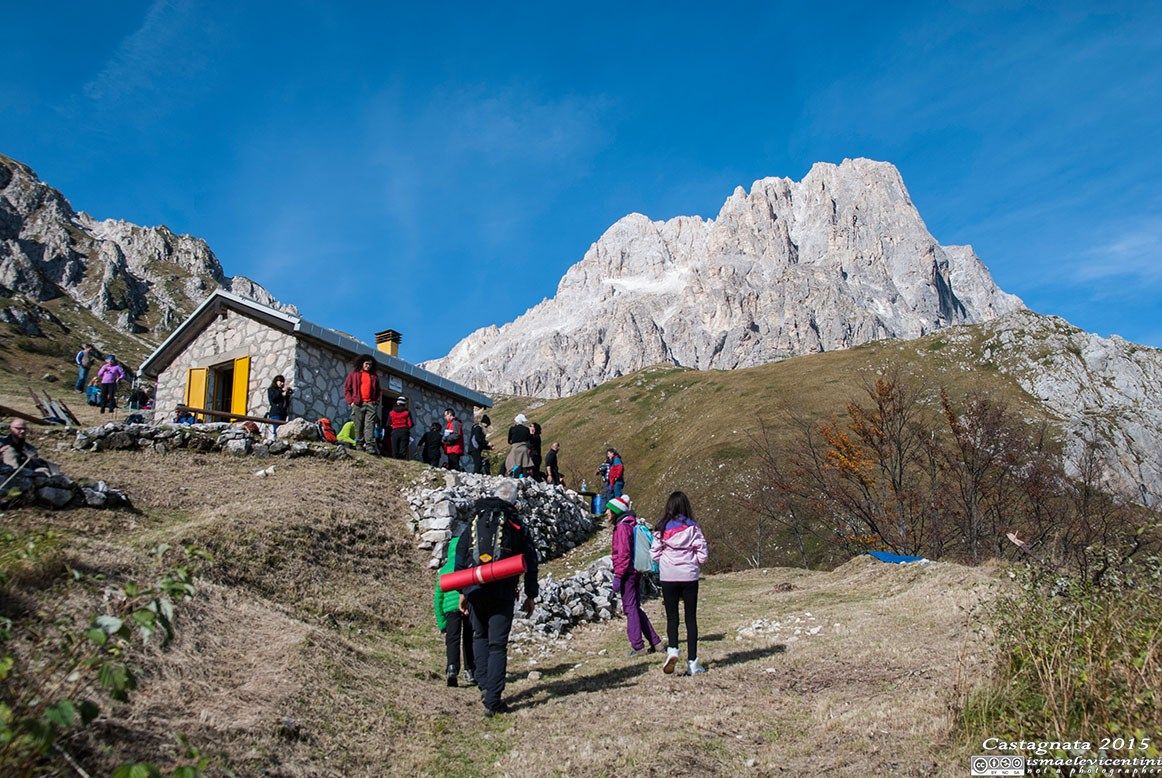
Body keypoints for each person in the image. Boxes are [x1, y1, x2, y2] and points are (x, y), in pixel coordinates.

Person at [453, 480, 539, 716]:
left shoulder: (475, 520)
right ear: (513, 501)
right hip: (502, 590)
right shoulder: (515, 523)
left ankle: (484, 685)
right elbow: (530, 560)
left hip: (474, 588)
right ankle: (493, 699)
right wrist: (531, 594)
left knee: (479, 636)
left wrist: (461, 591)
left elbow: (461, 556)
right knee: (497, 645)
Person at [651, 491, 709, 676]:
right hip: (689, 576)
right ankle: (693, 662)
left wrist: (666, 560)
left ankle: (673, 650)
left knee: (672, 617)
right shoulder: (693, 528)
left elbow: (654, 553)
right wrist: (694, 561)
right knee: (690, 618)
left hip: (668, 576)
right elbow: (703, 555)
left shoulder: (661, 527)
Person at [608, 495, 661, 657]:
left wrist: (618, 576)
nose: (606, 514)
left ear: (616, 512)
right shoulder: (631, 523)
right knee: (635, 607)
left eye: (609, 510)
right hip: (635, 570)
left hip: (627, 573)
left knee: (630, 608)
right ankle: (656, 642)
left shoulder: (622, 527)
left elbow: (623, 554)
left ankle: (638, 646)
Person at [434, 534, 475, 687]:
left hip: (450, 610)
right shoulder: (467, 566)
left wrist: (441, 622)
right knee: (469, 639)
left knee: (453, 639)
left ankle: (452, 668)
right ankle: (470, 670)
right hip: (467, 606)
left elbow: (437, 597)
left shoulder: (444, 571)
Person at [342, 355, 380, 452]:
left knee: (370, 425)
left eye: (370, 364)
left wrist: (376, 402)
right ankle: (358, 445)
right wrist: (351, 402)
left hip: (370, 404)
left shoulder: (374, 376)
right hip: (358, 403)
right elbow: (347, 389)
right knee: (358, 425)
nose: (368, 366)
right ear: (362, 363)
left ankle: (369, 446)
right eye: (367, 364)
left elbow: (378, 391)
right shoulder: (353, 374)